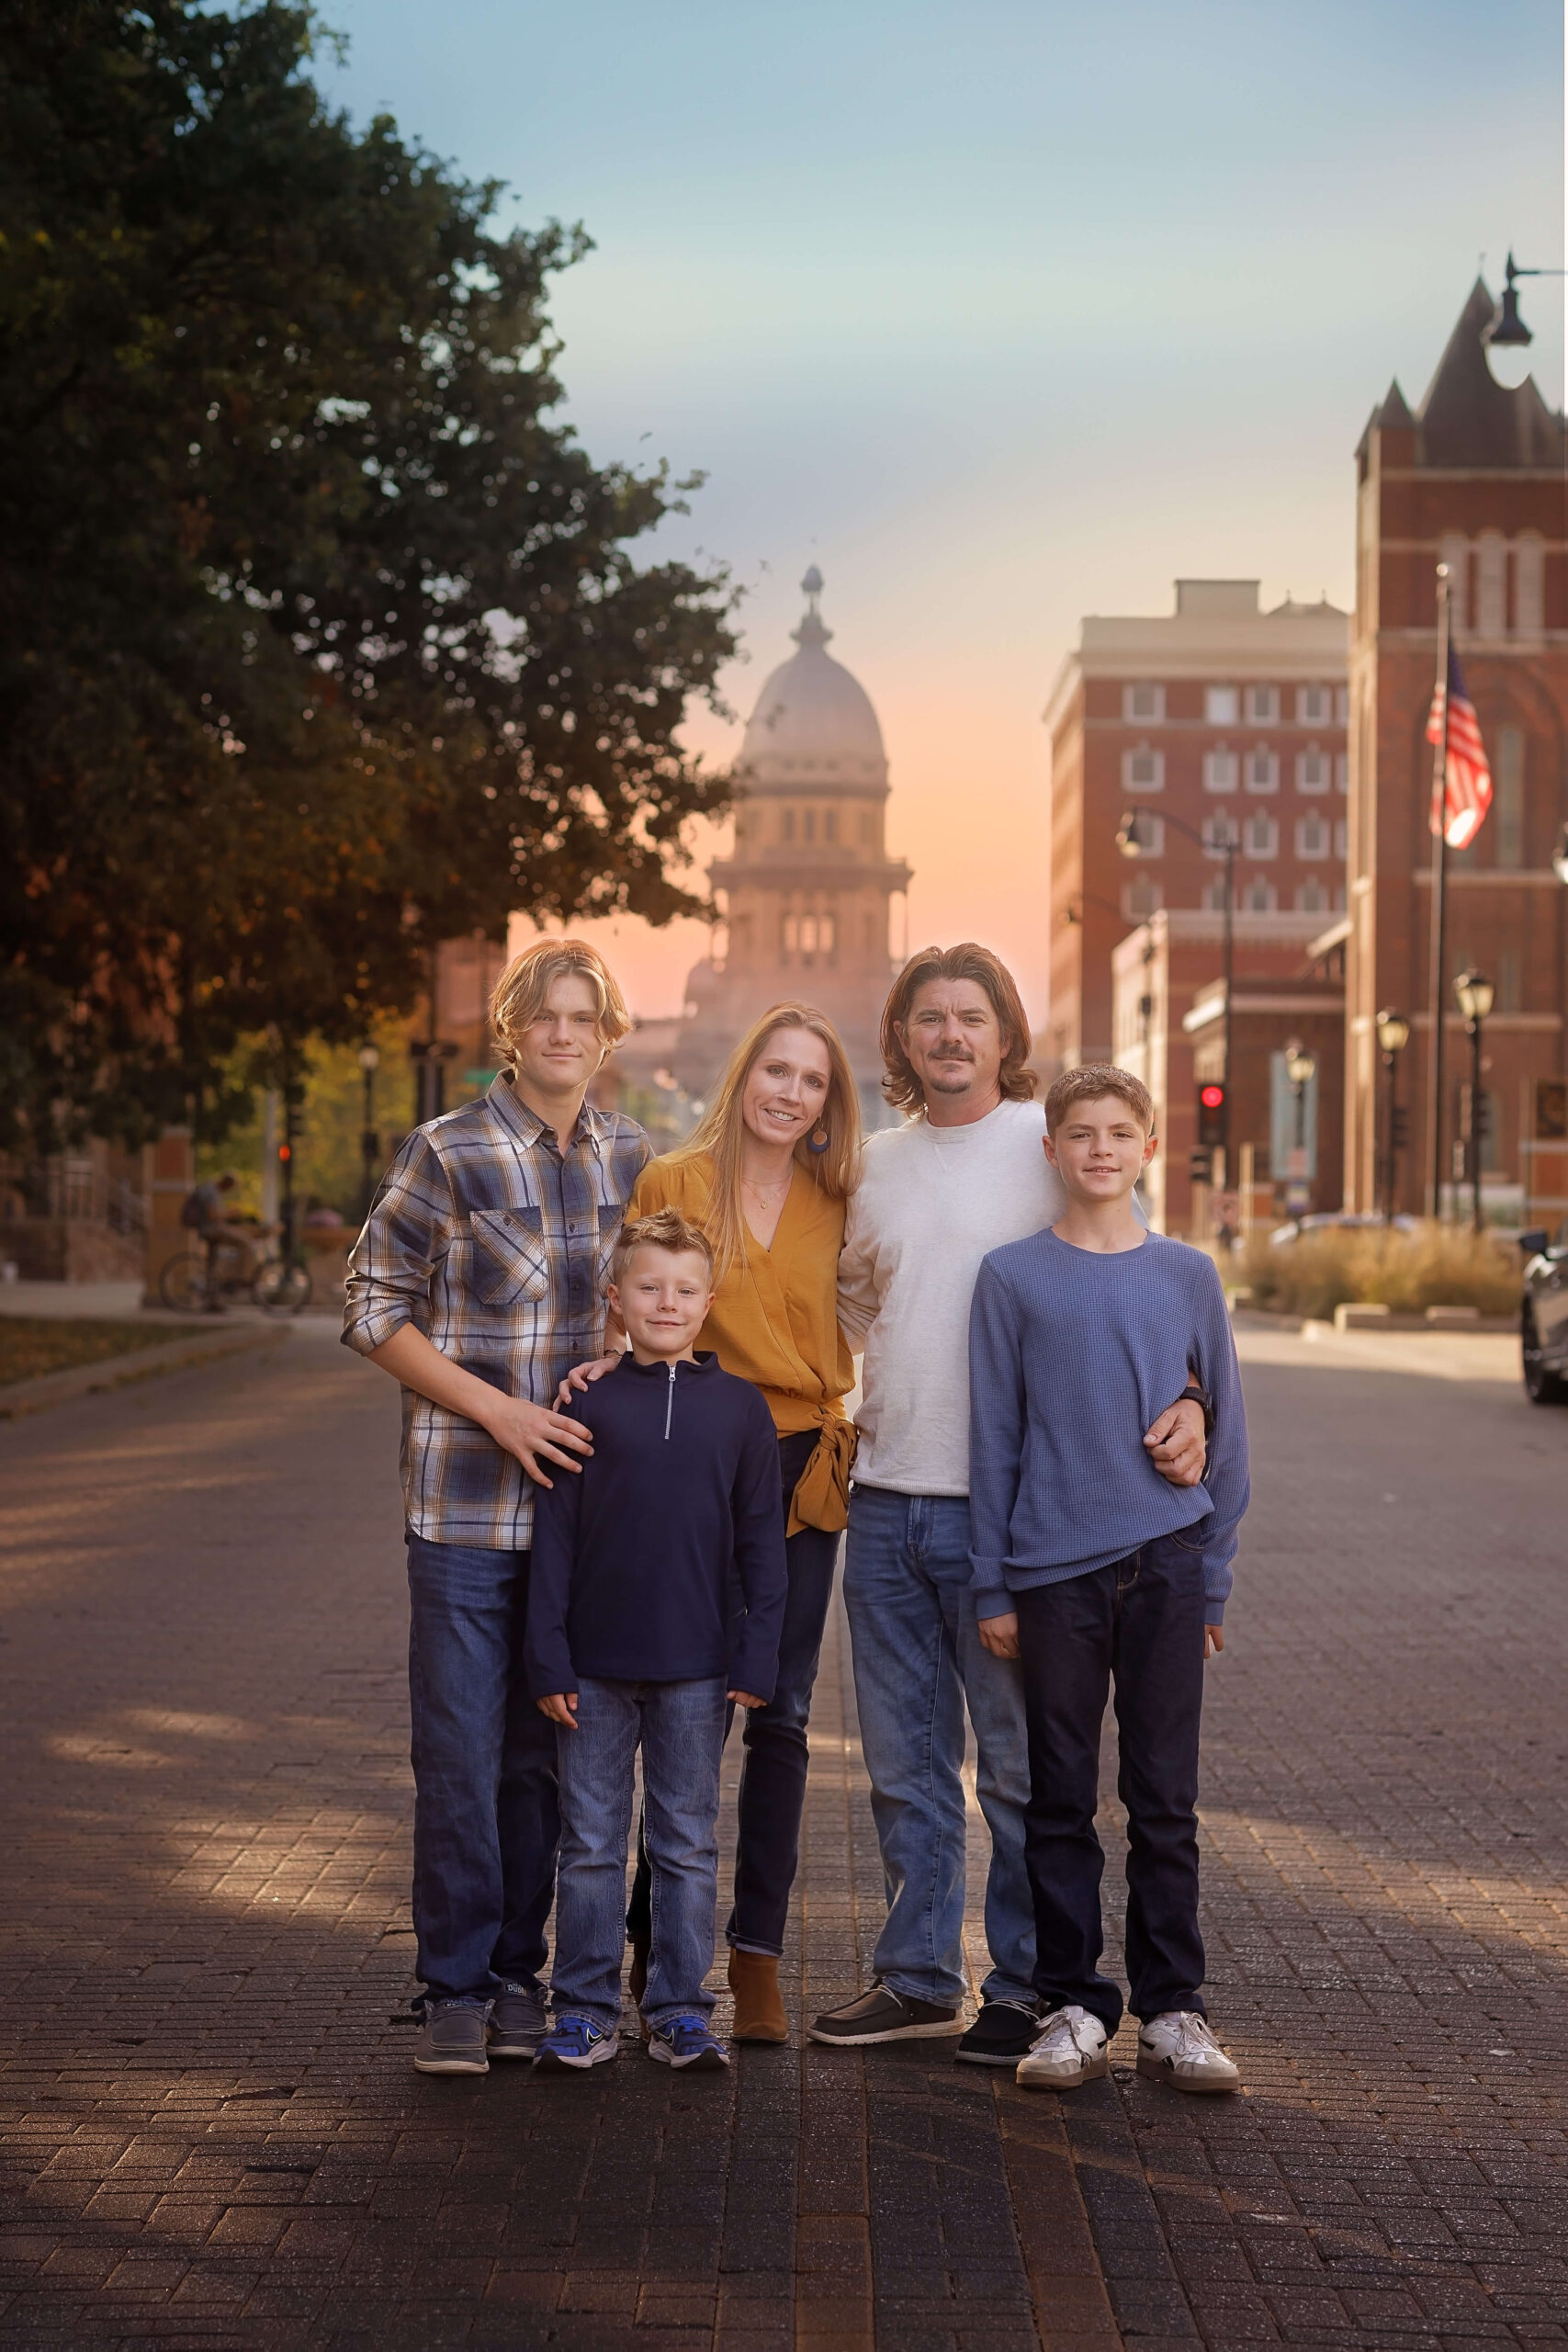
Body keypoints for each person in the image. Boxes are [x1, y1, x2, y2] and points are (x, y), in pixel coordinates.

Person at [807, 944, 1212, 2068]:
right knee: (903, 1766)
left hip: (1022, 1517)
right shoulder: (870, 1166)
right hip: (888, 1500)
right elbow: (850, 1308)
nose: (949, 1035)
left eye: (970, 1017)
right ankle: (919, 1975)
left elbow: (1139, 1294)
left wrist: (1191, 1401)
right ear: (901, 1039)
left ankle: (1030, 1985)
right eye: (928, 1018)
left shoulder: (1046, 1149)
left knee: (1026, 1771)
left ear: (1003, 1034)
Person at [341, 938, 649, 2077]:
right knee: (461, 1754)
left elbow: (655, 1310)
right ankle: (455, 1986)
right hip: (466, 1512)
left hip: (581, 1518)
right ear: (510, 1030)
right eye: (543, 1016)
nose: (562, 1034)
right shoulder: (448, 1150)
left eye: (583, 1017)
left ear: (607, 1035)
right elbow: (371, 1305)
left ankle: (521, 1975)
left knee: (545, 1762)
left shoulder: (633, 1155)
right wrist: (499, 1413)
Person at [559, 1001, 860, 2043]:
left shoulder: (838, 1198)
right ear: (743, 1076)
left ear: (829, 1102)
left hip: (799, 1466)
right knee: (678, 1700)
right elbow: (636, 1295)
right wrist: (603, 1362)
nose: (790, 1093)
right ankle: (653, 1952)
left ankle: (754, 1954)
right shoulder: (676, 1181)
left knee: (777, 1712)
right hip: (689, 1458)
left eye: (812, 1080)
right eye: (775, 1069)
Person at [967, 1066, 1247, 2095]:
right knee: (1058, 1797)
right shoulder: (1012, 1277)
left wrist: (1212, 1578)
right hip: (1053, 1574)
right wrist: (992, 1585)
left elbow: (1228, 1436)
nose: (1098, 1148)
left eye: (1119, 1132)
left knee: (1165, 1798)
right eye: (1079, 1132)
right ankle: (1076, 2001)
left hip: (1168, 1565)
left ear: (1148, 1146)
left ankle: (1176, 2009)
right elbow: (995, 1436)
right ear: (1052, 1150)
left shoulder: (1188, 1274)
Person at [525, 1209, 788, 2074]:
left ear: (708, 1302)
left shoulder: (741, 1411)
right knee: (592, 1844)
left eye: (683, 1290)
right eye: (648, 1288)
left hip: (699, 1671)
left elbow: (760, 1545)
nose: (666, 1303)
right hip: (592, 1670)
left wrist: (757, 1658)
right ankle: (585, 2010)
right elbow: (554, 1542)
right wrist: (548, 1656)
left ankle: (677, 2009)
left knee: (684, 1844)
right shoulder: (585, 1401)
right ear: (617, 1298)